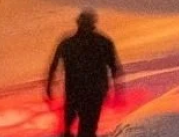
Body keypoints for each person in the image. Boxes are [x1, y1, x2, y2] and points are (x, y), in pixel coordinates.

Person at [45, 9, 122, 137]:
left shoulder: (70, 43)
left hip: (84, 93)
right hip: (84, 93)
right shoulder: (102, 42)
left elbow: (114, 68)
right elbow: (114, 68)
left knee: (80, 128)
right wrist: (118, 91)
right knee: (79, 128)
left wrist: (49, 87)